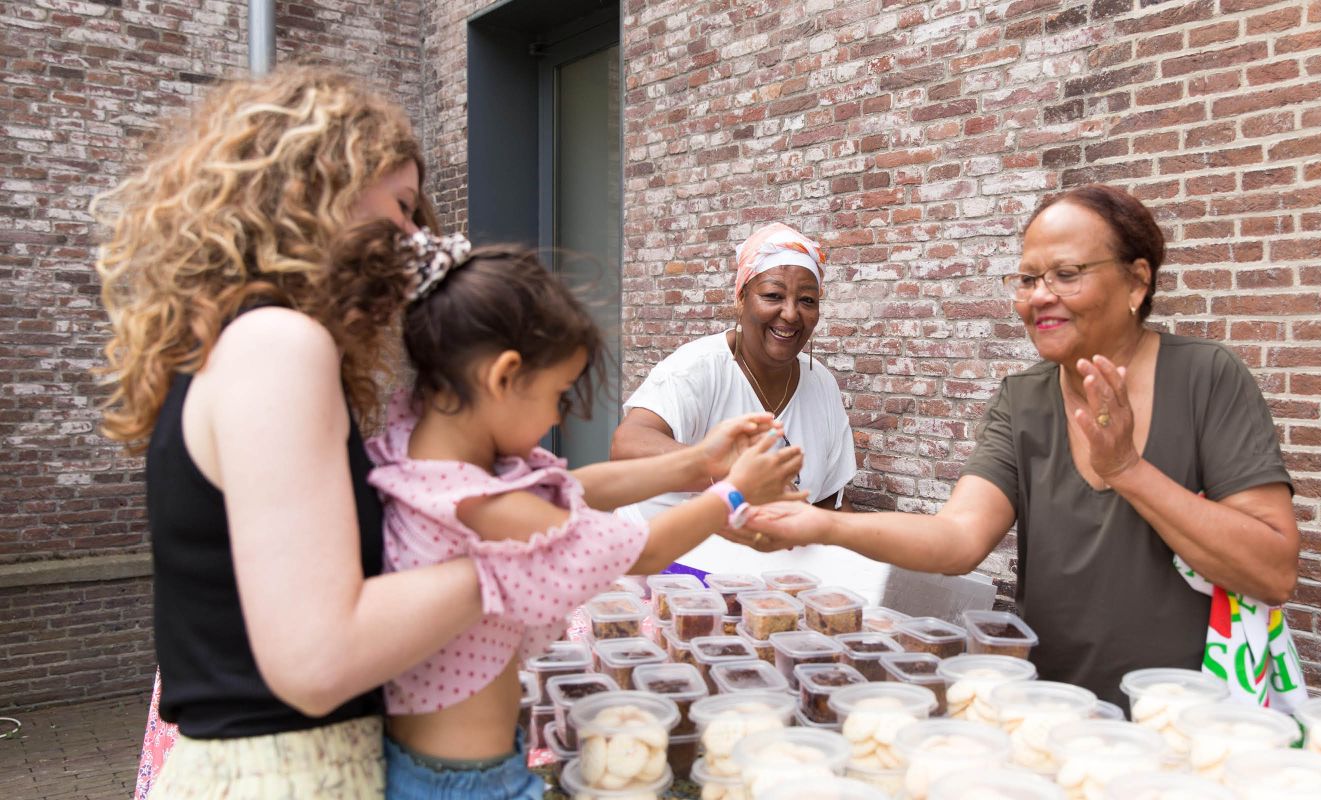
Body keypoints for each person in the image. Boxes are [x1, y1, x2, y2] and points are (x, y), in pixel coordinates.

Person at [743, 185, 1301, 708]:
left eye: (1066, 274)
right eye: (1028, 278)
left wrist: (1128, 469)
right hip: (1057, 709)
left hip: (1191, 720)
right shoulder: (1024, 400)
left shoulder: (1206, 378)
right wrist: (823, 526)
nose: (1040, 297)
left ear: (1136, 282)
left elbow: (1272, 571)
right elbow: (957, 538)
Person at [95, 66, 486, 798]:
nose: (411, 237)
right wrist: (529, 560)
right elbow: (316, 662)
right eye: (402, 207)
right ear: (319, 185)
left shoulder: (235, 342)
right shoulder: (278, 343)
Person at [361, 228, 804, 798]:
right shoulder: (486, 508)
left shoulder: (423, 456)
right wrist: (735, 492)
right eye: (558, 394)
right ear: (503, 377)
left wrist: (699, 460)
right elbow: (643, 550)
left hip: (439, 766)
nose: (557, 417)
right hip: (467, 786)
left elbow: (572, 486)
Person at [611, 223, 892, 599]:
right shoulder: (699, 367)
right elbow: (627, 444)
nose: (791, 314)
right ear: (741, 298)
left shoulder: (821, 385)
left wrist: (878, 572)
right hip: (653, 578)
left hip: (752, 592)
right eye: (773, 295)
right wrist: (736, 476)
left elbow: (828, 506)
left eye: (807, 300)